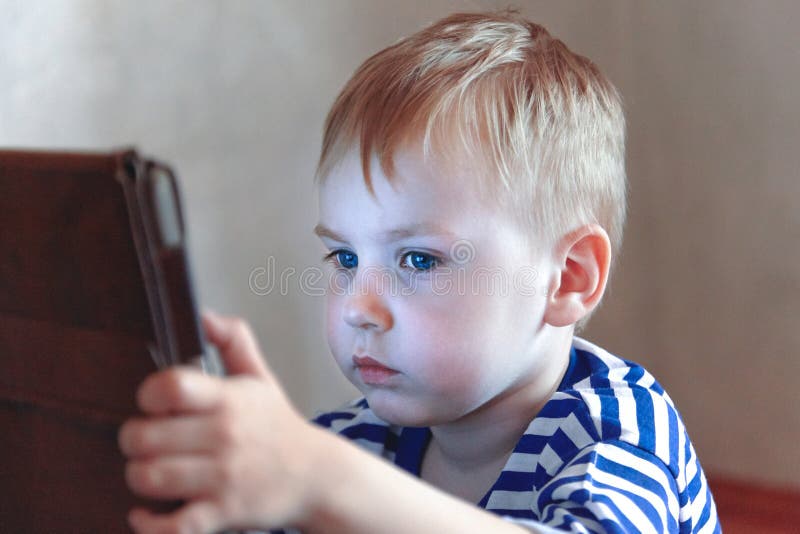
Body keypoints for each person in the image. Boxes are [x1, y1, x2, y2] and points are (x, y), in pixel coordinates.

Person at [118, 10, 720, 533]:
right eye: (346, 258)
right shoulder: (362, 443)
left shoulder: (624, 436)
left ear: (566, 277)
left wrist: (318, 479)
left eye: (418, 260)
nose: (359, 306)